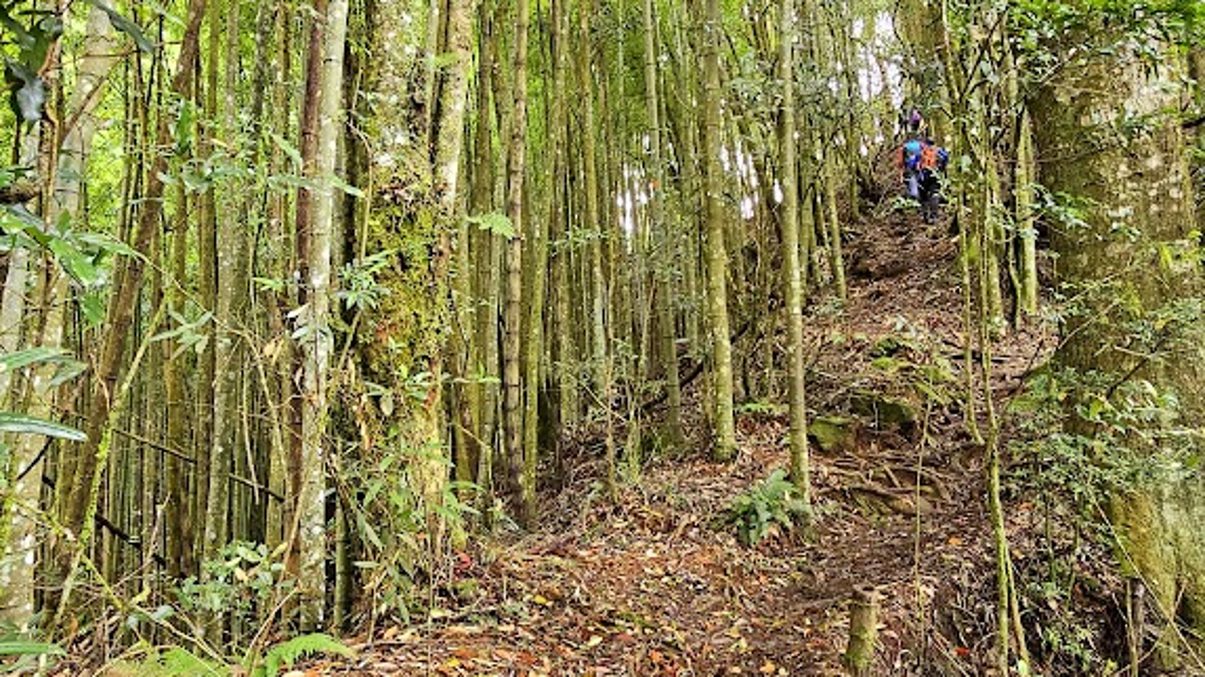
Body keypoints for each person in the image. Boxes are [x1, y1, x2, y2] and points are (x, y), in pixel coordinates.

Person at [896, 128, 948, 223]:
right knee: (934, 194)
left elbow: (912, 164)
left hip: (922, 175)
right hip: (935, 175)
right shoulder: (939, 151)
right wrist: (943, 173)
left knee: (923, 196)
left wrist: (909, 173)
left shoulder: (920, 152)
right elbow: (945, 161)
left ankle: (925, 216)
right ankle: (934, 217)